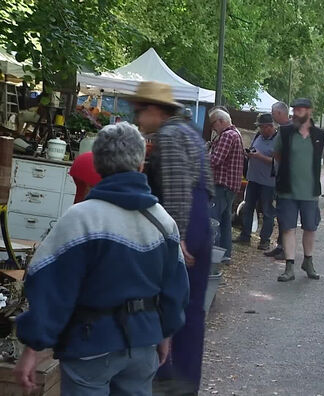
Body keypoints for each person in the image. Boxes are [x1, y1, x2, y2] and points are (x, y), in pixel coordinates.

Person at [13, 123, 189, 395]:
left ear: (96, 164)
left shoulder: (81, 219)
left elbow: (51, 287)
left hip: (90, 345)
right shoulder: (163, 222)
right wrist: (165, 331)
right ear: (141, 165)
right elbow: (176, 288)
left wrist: (33, 346)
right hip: (143, 345)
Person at [132, 81, 215, 395]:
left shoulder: (168, 136)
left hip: (184, 222)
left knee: (171, 302)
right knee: (193, 307)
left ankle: (167, 376)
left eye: (140, 111)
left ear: (154, 109)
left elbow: (178, 186)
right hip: (200, 219)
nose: (139, 118)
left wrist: (178, 236)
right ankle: (186, 379)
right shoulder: (191, 132)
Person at [273, 98, 324, 282]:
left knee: (310, 227)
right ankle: (289, 267)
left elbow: (320, 160)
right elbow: (277, 155)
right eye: (294, 110)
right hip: (287, 190)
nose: (295, 113)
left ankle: (308, 261)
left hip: (310, 191)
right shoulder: (285, 132)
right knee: (288, 228)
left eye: (300, 110)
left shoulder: (320, 134)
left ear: (309, 112)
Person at [207, 109, 245, 254]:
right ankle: (225, 254)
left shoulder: (227, 135)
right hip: (230, 186)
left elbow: (215, 160)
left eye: (213, 124)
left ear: (221, 121)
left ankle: (212, 254)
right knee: (225, 222)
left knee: (213, 220)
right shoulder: (236, 133)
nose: (213, 128)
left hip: (222, 185)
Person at [239, 113, 277, 250]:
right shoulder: (258, 136)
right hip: (253, 179)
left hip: (269, 183)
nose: (260, 129)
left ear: (270, 126)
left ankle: (264, 240)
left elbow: (278, 163)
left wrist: (260, 156)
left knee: (267, 211)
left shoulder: (278, 141)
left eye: (262, 127)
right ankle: (245, 236)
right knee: (248, 208)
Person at [264, 101, 291, 260]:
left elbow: (280, 154)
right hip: (280, 177)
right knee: (280, 213)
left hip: (285, 178)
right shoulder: (283, 130)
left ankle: (285, 248)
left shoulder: (289, 130)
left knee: (285, 214)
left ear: (280, 113)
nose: (272, 115)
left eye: (273, 113)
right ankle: (280, 245)